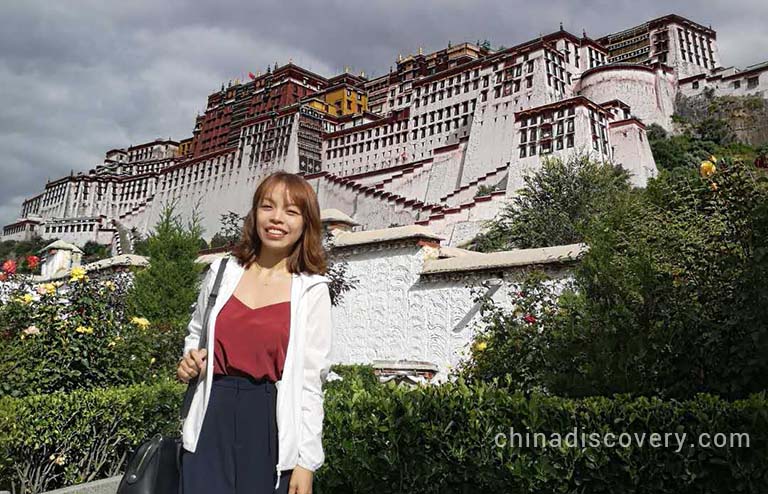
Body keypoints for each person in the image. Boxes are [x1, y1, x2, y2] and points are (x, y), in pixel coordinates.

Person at [176, 171, 333, 494]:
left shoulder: (311, 290)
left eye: (291, 211)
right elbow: (197, 333)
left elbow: (310, 382)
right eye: (267, 207)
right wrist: (190, 360)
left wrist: (306, 461)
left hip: (269, 421)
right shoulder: (222, 272)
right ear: (254, 214)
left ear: (306, 223)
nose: (277, 219)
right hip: (210, 414)